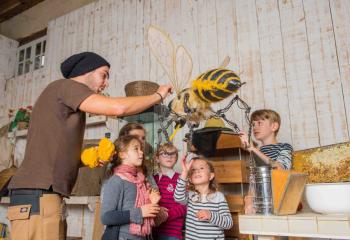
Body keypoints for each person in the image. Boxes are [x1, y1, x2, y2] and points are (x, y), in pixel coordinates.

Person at [6, 52, 172, 240]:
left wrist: (86, 158)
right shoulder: (67, 86)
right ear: (86, 71)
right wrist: (157, 95)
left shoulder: (65, 100)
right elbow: (118, 108)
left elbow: (56, 151)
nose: (106, 83)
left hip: (45, 195)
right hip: (40, 194)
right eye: (104, 74)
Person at [100, 135, 160, 239]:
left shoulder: (141, 180)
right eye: (136, 149)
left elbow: (145, 212)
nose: (141, 152)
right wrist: (140, 212)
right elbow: (106, 217)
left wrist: (153, 203)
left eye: (141, 149)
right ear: (122, 154)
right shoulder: (116, 181)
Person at [238, 109, 293, 213]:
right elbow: (253, 180)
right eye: (253, 125)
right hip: (260, 204)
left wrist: (253, 149)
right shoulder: (255, 152)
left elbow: (281, 169)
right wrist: (248, 200)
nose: (255, 127)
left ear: (274, 126)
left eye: (259, 123)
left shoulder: (284, 147)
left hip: (280, 202)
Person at [174, 156, 233, 240]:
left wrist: (211, 215)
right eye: (193, 170)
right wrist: (184, 173)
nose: (197, 171)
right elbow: (178, 197)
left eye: (201, 168)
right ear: (190, 179)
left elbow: (228, 223)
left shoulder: (219, 197)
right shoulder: (190, 196)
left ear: (211, 176)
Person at [152, 143, 186, 240]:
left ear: (176, 158)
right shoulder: (152, 179)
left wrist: (166, 215)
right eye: (165, 154)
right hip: (153, 230)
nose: (169, 156)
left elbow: (184, 206)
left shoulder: (181, 179)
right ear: (157, 158)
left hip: (172, 232)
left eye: (172, 154)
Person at [118, 122, 158, 189]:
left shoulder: (143, 166)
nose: (141, 141)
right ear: (123, 140)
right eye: (135, 137)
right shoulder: (114, 168)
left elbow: (155, 188)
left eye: (143, 138)